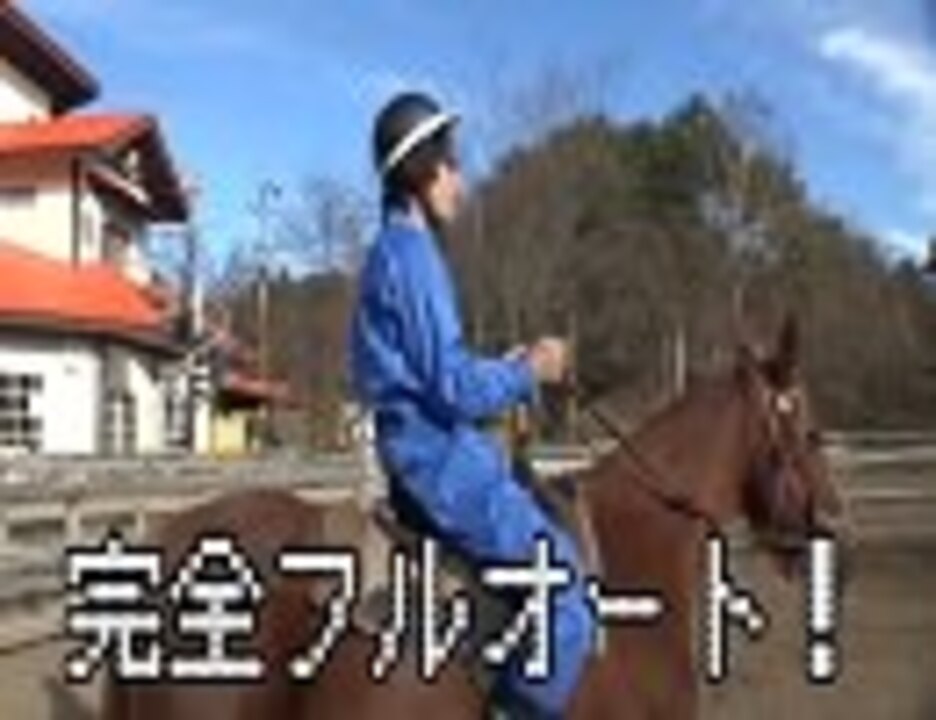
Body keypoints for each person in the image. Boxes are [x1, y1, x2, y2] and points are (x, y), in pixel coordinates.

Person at [349, 91, 593, 718]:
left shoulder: (393, 252)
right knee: (567, 596)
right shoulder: (413, 257)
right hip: (439, 462)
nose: (459, 180)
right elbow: (453, 387)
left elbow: (439, 369)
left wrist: (508, 368)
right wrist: (531, 370)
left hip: (427, 448)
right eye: (451, 165)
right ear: (420, 170)